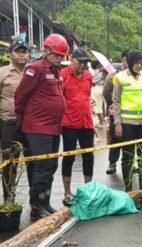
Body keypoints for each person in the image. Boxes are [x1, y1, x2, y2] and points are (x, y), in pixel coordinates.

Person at [15, 33, 68, 221]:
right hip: (37, 127)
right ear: (46, 51)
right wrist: (22, 121)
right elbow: (21, 95)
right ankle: (36, 207)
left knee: (51, 166)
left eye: (62, 56)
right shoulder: (35, 69)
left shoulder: (56, 71)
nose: (60, 59)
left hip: (53, 127)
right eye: (57, 55)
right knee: (41, 167)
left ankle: (45, 202)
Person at [0, 39, 29, 203]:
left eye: (24, 51)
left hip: (31, 124)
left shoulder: (32, 72)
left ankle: (36, 200)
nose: (22, 54)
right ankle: (9, 197)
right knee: (10, 162)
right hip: (9, 123)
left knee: (34, 162)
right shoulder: (0, 73)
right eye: (18, 51)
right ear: (10, 54)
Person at [112, 50, 142, 191]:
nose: (139, 66)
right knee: (127, 156)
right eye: (136, 63)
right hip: (127, 124)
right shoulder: (119, 78)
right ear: (130, 62)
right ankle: (128, 189)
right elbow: (116, 101)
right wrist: (118, 123)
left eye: (141, 63)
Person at [60, 49, 95, 206]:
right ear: (72, 60)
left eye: (84, 63)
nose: (82, 65)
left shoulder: (88, 76)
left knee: (89, 156)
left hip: (86, 121)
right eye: (79, 62)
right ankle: (67, 192)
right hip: (69, 122)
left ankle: (88, 189)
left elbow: (87, 96)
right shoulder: (63, 75)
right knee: (69, 156)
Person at [104, 50, 128, 174]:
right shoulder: (113, 75)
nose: (126, 63)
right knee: (115, 138)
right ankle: (112, 163)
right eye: (124, 60)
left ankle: (129, 163)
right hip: (116, 113)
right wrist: (113, 106)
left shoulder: (137, 75)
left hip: (131, 113)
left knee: (129, 140)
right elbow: (106, 92)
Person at [91, 60, 107, 143]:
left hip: (98, 88)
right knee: (99, 105)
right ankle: (102, 121)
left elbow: (93, 81)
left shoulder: (100, 72)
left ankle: (101, 122)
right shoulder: (104, 71)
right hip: (101, 88)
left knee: (97, 106)